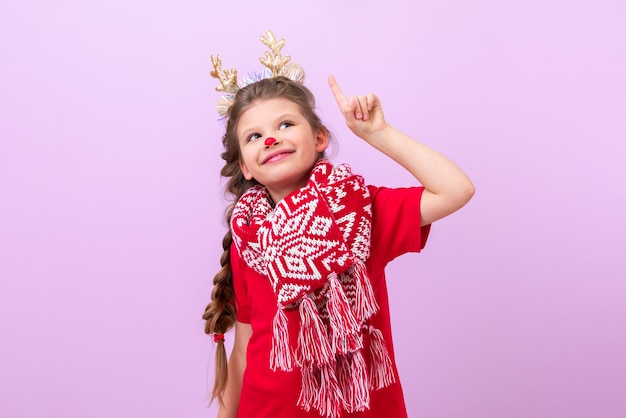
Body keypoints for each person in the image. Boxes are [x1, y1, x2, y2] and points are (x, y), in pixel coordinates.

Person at [202, 30, 474, 418]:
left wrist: (379, 135)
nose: (270, 139)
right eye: (254, 135)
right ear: (245, 165)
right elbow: (244, 344)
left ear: (319, 138)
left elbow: (456, 190)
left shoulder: (360, 211)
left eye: (284, 125)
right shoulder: (249, 239)